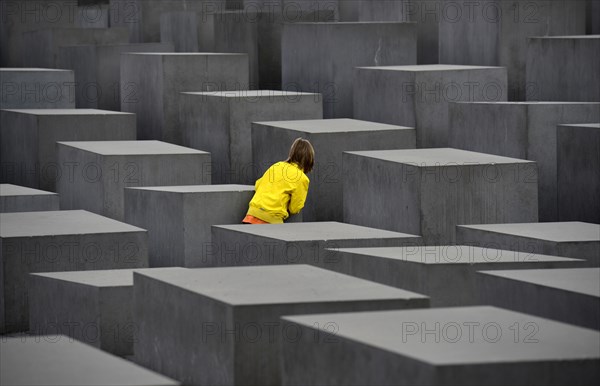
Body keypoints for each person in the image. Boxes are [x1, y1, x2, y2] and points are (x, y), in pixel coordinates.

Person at [243, 138, 314, 224]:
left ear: (292, 153)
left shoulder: (277, 165)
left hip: (251, 215)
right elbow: (294, 208)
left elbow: (258, 185)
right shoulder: (302, 178)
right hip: (270, 219)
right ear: (309, 159)